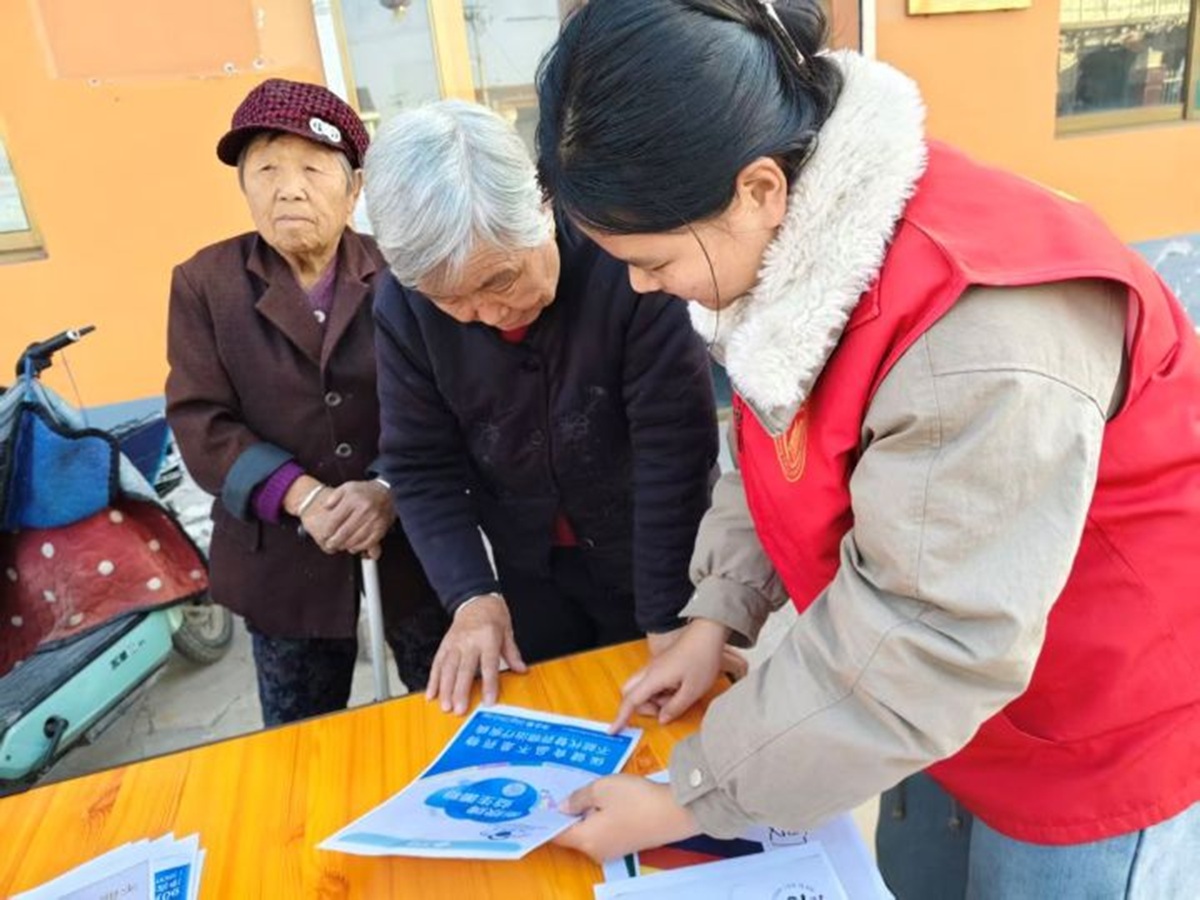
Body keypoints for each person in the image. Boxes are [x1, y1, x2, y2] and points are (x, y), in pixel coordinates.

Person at [533, 1, 1200, 897]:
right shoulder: (795, 252)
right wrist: (715, 614)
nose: (642, 287)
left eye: (653, 261)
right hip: (931, 706)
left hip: (1091, 731)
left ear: (759, 190)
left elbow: (925, 634)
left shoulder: (978, 336)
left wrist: (693, 795)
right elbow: (772, 441)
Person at [362, 100, 728, 717]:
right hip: (529, 567)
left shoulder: (628, 259)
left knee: (666, 721)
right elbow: (421, 465)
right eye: (454, 301)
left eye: (501, 279)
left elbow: (674, 452)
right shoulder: (404, 308)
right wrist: (472, 595)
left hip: (656, 550)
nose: (488, 313)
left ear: (542, 206)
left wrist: (669, 618)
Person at [165, 79, 447, 727]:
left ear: (355, 189)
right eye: (266, 169)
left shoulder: (403, 272)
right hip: (283, 561)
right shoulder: (205, 284)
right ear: (244, 186)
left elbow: (448, 399)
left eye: (313, 169)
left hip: (413, 545)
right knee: (301, 737)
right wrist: (307, 498)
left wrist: (388, 488)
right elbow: (202, 421)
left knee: (444, 709)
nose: (288, 189)